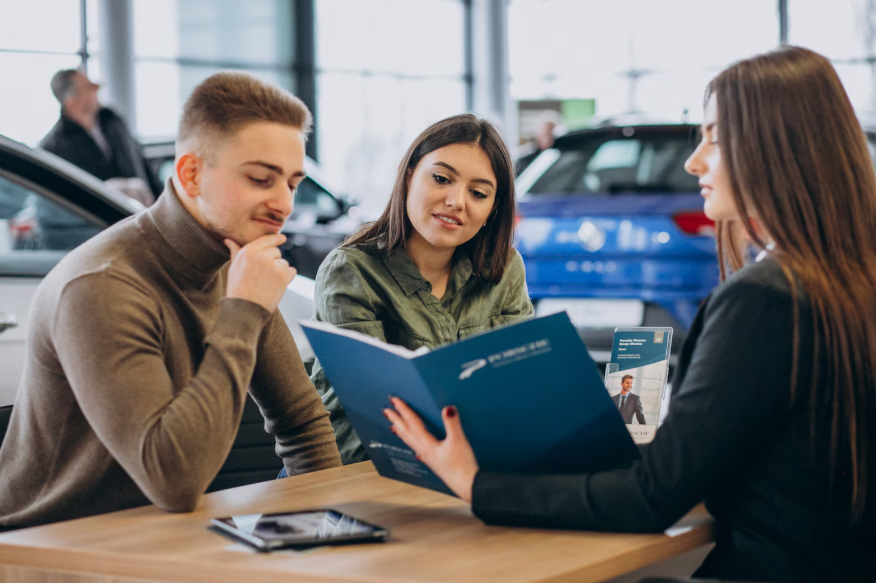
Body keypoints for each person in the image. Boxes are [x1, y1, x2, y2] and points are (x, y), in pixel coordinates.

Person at [384, 47, 876, 582]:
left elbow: (650, 498)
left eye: (715, 136)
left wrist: (475, 484)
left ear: (776, 147)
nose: (694, 162)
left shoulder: (764, 297)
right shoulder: (849, 280)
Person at [0, 72, 342, 530]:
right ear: (191, 173)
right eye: (262, 179)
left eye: (292, 182)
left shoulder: (231, 265)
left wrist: (327, 537)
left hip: (163, 538)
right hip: (49, 546)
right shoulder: (101, 285)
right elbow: (174, 482)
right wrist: (245, 310)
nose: (283, 203)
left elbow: (302, 424)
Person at [302, 114, 534, 466]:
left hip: (478, 474)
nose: (457, 201)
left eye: (478, 193)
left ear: (492, 209)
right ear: (409, 176)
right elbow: (363, 425)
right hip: (364, 482)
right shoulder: (351, 271)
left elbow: (522, 386)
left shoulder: (504, 268)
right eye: (441, 179)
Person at [40, 69, 162, 205]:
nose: (98, 87)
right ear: (72, 102)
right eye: (88, 87)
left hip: (144, 211)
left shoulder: (112, 121)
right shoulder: (54, 147)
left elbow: (140, 162)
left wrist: (161, 200)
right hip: (104, 221)